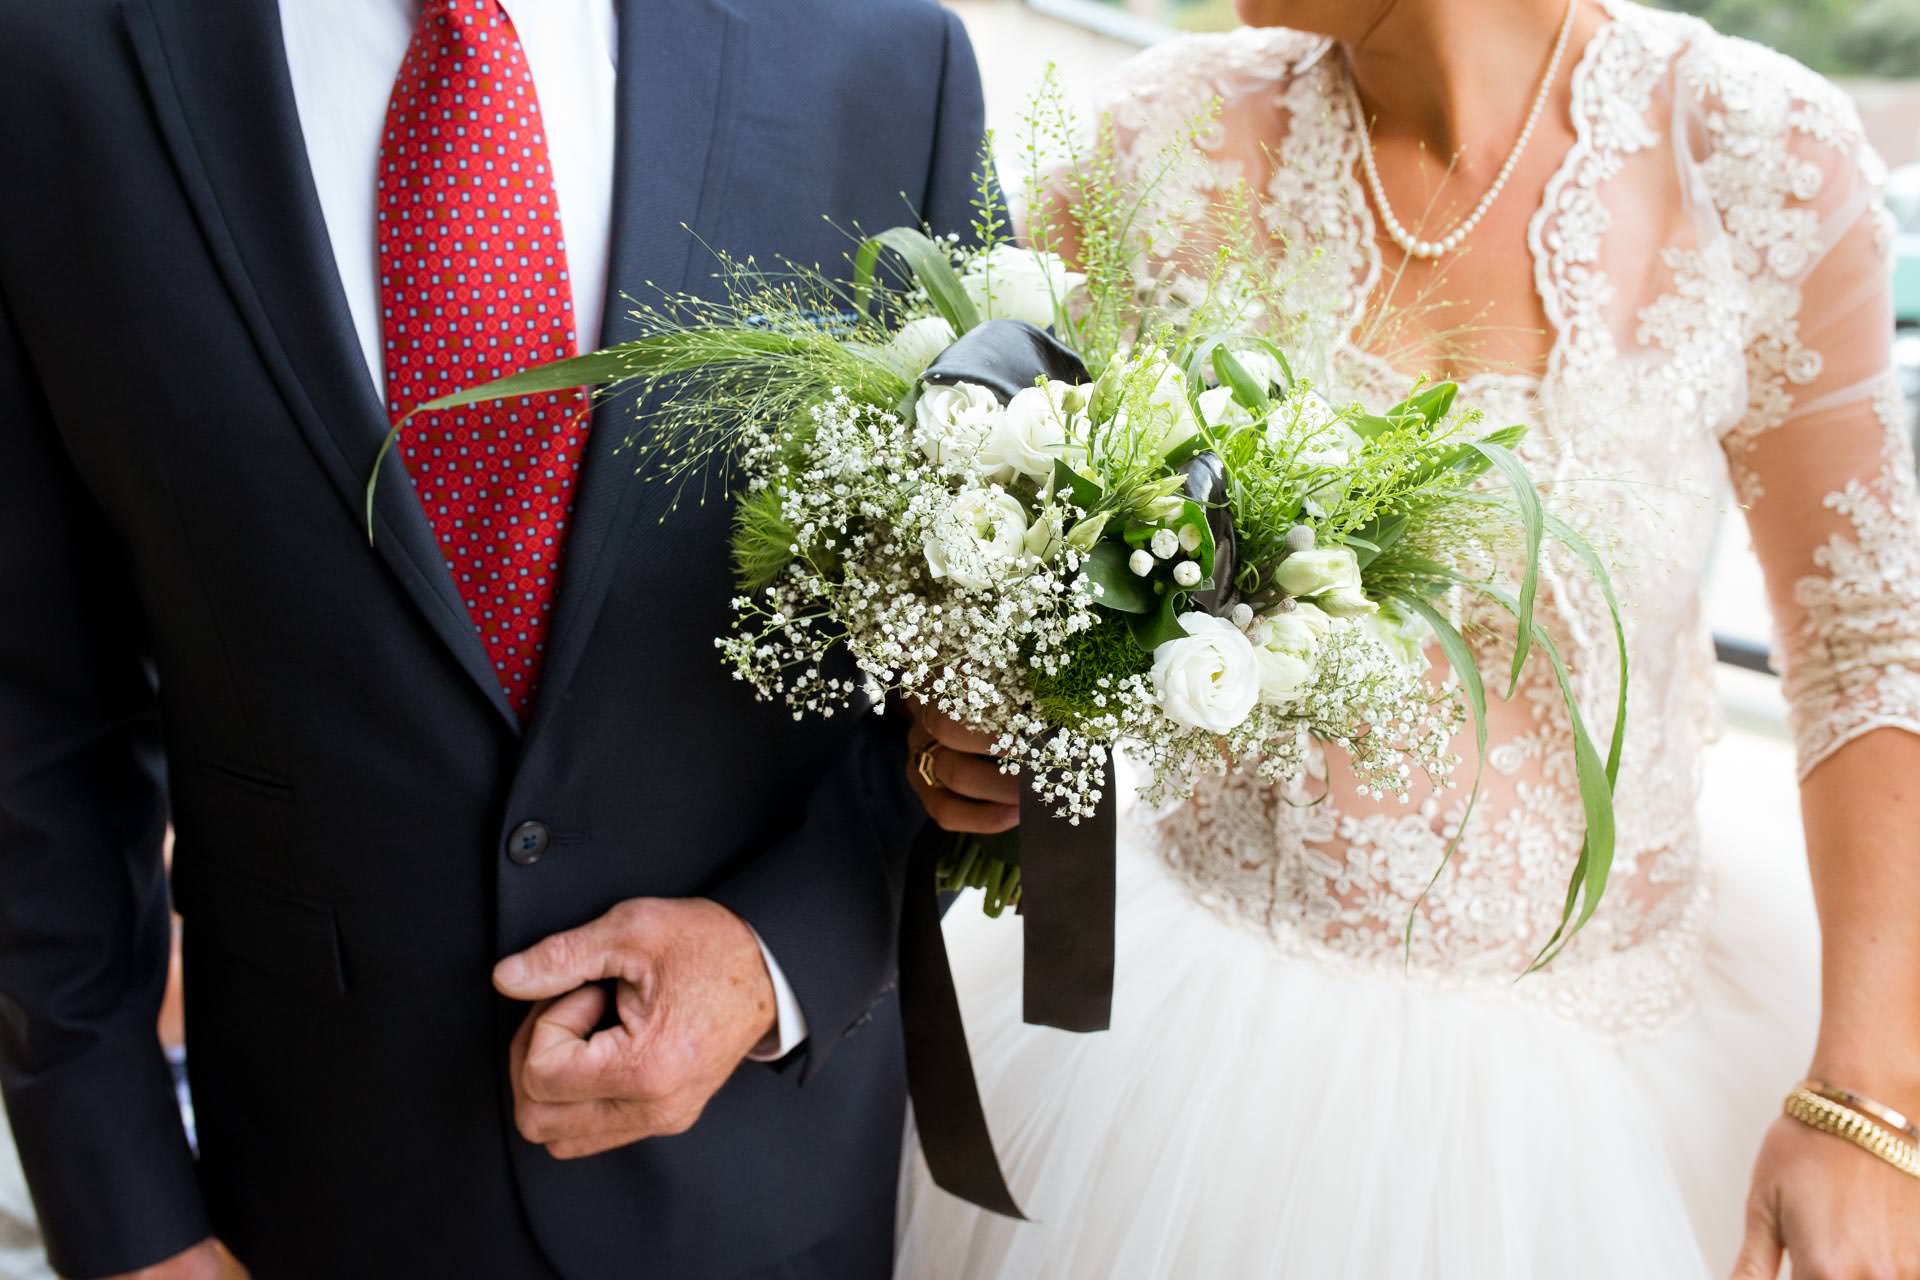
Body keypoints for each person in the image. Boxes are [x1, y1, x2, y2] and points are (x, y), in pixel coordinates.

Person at [897, 0, 1920, 1274]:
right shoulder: (1158, 140)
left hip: (1610, 1109)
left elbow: (1870, 642)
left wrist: (1868, 1108)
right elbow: (997, 573)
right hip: (1174, 1065)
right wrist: (961, 741)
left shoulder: (1758, 158)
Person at [0, 1, 984, 1276]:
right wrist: (128, 1222)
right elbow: (32, 713)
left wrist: (776, 955)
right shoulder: (51, 58)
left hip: (763, 1199)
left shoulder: (883, 56)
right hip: (299, 1205)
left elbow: (978, 657)